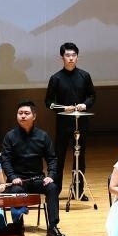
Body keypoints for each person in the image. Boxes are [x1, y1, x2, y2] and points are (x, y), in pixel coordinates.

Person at [0, 99, 67, 236]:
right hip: (18, 181)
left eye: (26, 113)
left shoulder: (43, 136)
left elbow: (52, 159)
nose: (23, 116)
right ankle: (18, 226)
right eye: (20, 113)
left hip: (37, 179)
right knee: (16, 191)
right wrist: (12, 177)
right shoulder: (10, 136)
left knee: (52, 187)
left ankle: (52, 227)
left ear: (34, 116)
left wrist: (51, 175)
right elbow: (5, 160)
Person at [44, 42, 95, 198]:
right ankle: (56, 190)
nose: (71, 58)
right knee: (59, 157)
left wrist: (85, 104)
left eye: (74, 55)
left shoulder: (85, 76)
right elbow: (48, 101)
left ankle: (78, 191)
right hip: (63, 124)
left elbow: (92, 96)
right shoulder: (56, 78)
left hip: (81, 122)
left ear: (77, 57)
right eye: (67, 55)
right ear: (62, 58)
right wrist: (62, 108)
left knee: (80, 157)